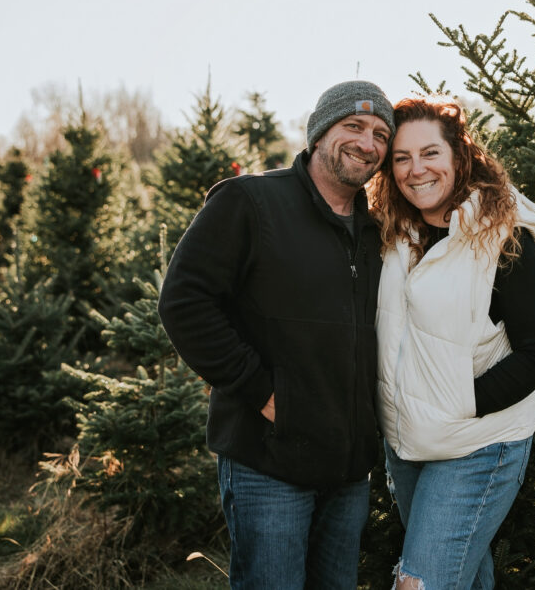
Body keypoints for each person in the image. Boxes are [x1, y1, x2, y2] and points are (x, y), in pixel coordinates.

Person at [157, 80, 395, 590]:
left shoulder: (376, 231)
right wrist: (264, 394)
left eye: (380, 133)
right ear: (318, 132)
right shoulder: (251, 202)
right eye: (353, 126)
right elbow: (185, 302)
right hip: (269, 462)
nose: (368, 143)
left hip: (350, 470)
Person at [370, 95, 535, 589]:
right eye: (402, 158)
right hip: (408, 446)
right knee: (464, 578)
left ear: (459, 155)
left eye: (430, 153)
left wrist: (459, 404)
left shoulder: (502, 237)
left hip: (479, 443)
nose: (417, 170)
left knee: (419, 582)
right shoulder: (392, 233)